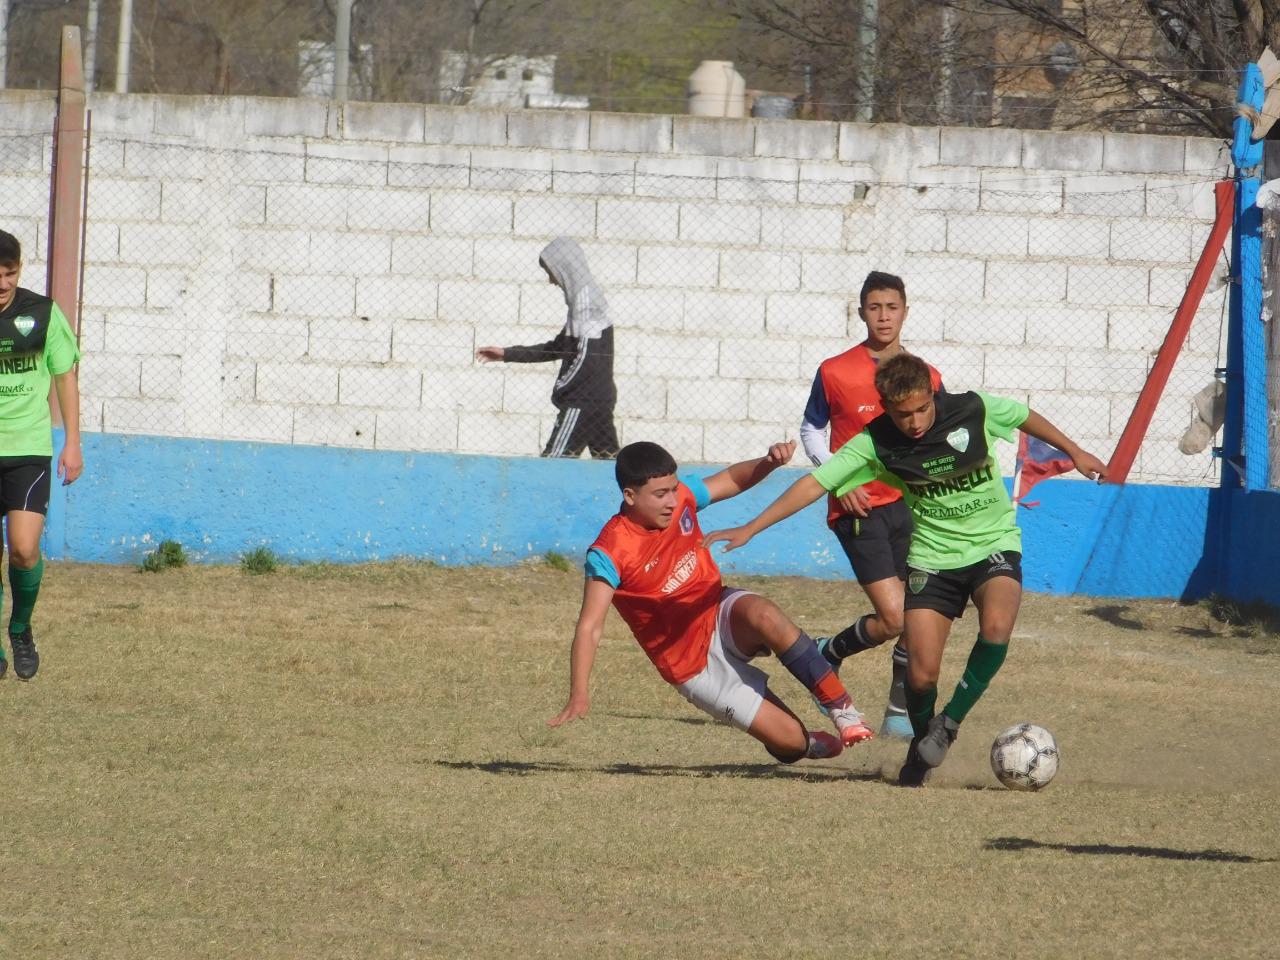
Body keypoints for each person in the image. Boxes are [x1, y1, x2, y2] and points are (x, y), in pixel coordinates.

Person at [704, 353, 1107, 785]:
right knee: (920, 673)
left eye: (921, 410)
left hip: (993, 545)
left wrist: (1076, 451)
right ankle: (921, 744)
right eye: (902, 414)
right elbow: (813, 484)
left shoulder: (972, 409)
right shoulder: (875, 441)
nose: (914, 422)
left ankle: (948, 725)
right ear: (885, 407)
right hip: (933, 559)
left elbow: (1026, 416)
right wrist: (751, 527)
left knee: (995, 627)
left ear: (933, 395)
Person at [548, 440, 875, 763]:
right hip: (692, 667)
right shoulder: (609, 552)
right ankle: (803, 743)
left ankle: (842, 709)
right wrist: (579, 692)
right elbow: (590, 627)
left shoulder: (682, 499)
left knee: (765, 614)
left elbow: (732, 480)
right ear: (630, 496)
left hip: (717, 610)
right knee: (789, 743)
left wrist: (769, 462)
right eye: (660, 494)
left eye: (674, 489)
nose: (672, 501)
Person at [799, 271, 941, 740]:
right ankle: (829, 654)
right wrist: (839, 483)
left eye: (892, 307)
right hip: (858, 510)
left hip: (914, 508)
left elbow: (934, 437)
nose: (884, 316)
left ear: (905, 310)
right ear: (861, 312)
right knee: (897, 616)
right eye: (874, 307)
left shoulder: (927, 376)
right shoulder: (835, 371)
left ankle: (896, 712)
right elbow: (812, 431)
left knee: (916, 615)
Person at [0, 229, 82, 681]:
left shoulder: (42, 314)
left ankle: (20, 628)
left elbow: (65, 374)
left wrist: (72, 441)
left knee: (25, 550)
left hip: (28, 449)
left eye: (10, 274)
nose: (3, 284)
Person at [476, 237, 619, 459]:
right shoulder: (584, 300)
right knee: (612, 470)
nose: (551, 280)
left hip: (582, 402)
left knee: (552, 465)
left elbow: (586, 358)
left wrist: (563, 389)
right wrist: (506, 354)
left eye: (550, 272)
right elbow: (558, 348)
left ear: (564, 268)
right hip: (598, 400)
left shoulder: (586, 303)